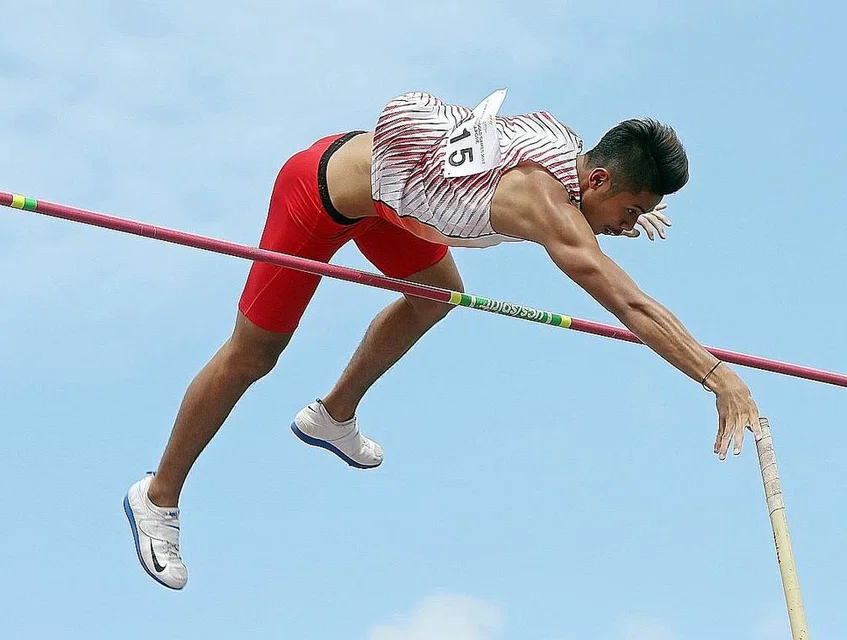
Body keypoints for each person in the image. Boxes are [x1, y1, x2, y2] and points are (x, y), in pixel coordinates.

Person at [123, 90, 761, 590]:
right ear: (597, 183)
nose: (629, 225)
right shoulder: (542, 204)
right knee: (253, 356)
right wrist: (715, 376)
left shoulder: (572, 157)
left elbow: (576, 192)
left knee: (435, 295)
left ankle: (332, 416)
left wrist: (622, 211)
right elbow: (628, 301)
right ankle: (158, 497)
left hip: (388, 206)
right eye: (630, 211)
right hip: (315, 198)